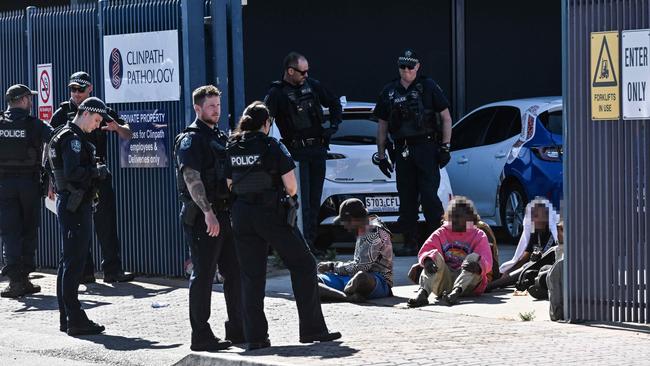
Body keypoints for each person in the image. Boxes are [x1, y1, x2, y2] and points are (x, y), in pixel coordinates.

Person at [226, 101, 341, 351]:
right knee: (304, 265)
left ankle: (255, 337)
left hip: (242, 215)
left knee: (251, 276)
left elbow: (229, 184)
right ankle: (312, 329)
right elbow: (291, 186)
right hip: (272, 215)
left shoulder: (232, 146)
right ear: (266, 123)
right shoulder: (271, 145)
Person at [173, 85, 243, 352]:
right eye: (211, 106)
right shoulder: (191, 139)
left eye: (218, 105)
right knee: (203, 275)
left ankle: (237, 328)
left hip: (224, 214)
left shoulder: (220, 136)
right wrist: (208, 213)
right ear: (198, 108)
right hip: (204, 215)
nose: (216, 110)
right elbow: (192, 178)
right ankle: (200, 335)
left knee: (234, 273)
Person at [50, 71, 134, 284]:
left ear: (90, 89)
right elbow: (49, 147)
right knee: (79, 224)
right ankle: (85, 273)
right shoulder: (62, 113)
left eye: (80, 89)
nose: (76, 93)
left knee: (106, 223)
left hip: (98, 173)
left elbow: (127, 133)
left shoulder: (99, 108)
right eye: (73, 89)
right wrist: (50, 180)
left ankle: (112, 270)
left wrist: (117, 127)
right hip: (74, 177)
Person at [374, 49, 453, 256]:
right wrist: (381, 155)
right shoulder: (389, 90)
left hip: (427, 147)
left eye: (410, 66)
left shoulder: (429, 87)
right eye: (403, 66)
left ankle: (435, 241)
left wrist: (445, 146)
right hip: (402, 149)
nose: (406, 70)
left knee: (429, 198)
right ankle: (410, 241)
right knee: (407, 198)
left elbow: (446, 117)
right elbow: (382, 125)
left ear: (418, 67)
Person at [264, 52, 342, 255]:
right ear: (290, 71)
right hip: (296, 153)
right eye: (302, 72)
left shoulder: (313, 86)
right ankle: (299, 244)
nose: (306, 75)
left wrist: (333, 126)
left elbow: (334, 102)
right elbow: (265, 120)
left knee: (314, 199)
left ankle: (311, 243)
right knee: (300, 201)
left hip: (316, 150)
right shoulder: (277, 93)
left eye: (307, 71)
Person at [47, 97, 112, 335]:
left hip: (69, 203)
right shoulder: (72, 139)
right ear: (85, 114)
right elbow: (74, 173)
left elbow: (49, 166)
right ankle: (74, 318)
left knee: (68, 262)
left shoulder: (60, 134)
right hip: (75, 205)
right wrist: (97, 171)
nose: (97, 125)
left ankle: (67, 317)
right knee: (74, 263)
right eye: (96, 120)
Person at [0, 84, 53, 298]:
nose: (31, 102)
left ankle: (16, 281)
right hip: (29, 185)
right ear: (22, 100)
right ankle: (24, 277)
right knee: (28, 230)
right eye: (29, 99)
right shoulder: (36, 125)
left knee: (10, 233)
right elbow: (57, 139)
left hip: (4, 186)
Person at [407, 196, 492, 307]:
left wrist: (479, 266)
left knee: (474, 257)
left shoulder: (479, 235)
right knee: (432, 256)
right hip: (444, 283)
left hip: (469, 284)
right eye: (451, 217)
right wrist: (427, 261)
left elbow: (486, 259)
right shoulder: (441, 232)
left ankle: (456, 292)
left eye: (458, 216)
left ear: (469, 218)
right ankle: (423, 293)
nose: (454, 220)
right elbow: (427, 249)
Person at [316, 198, 393, 302]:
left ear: (352, 219)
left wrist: (332, 266)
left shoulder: (373, 231)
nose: (343, 226)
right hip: (351, 278)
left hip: (378, 282)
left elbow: (361, 267)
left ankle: (340, 292)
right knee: (311, 281)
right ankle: (347, 296)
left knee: (361, 277)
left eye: (344, 222)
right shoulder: (364, 226)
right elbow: (356, 265)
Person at [486, 197, 560, 292]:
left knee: (525, 271)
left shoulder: (555, 233)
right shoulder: (535, 233)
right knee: (522, 270)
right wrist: (508, 271)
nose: (533, 219)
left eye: (537, 215)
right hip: (536, 268)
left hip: (552, 268)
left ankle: (491, 286)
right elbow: (525, 258)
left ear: (547, 216)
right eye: (531, 216)